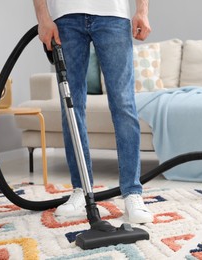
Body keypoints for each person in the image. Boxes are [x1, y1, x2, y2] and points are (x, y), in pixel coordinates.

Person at [33, 0, 153, 224]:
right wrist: (43, 18)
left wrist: (142, 11)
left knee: (123, 103)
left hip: (113, 14)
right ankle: (81, 190)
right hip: (65, 15)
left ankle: (132, 192)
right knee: (70, 105)